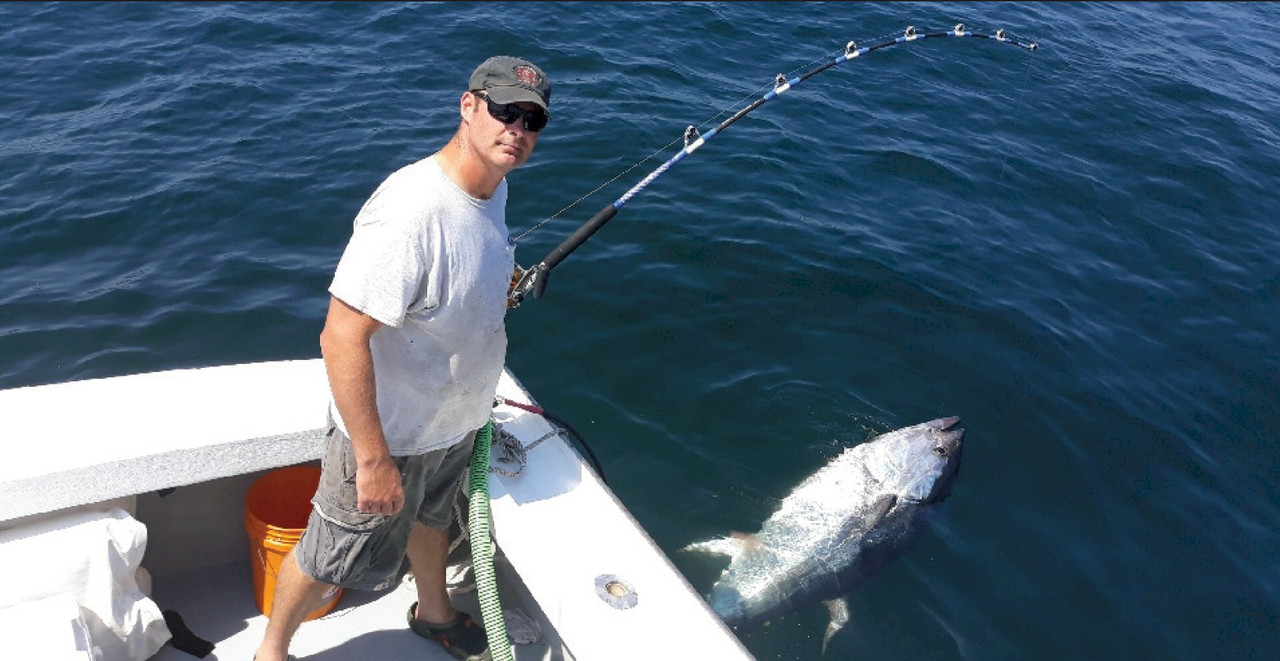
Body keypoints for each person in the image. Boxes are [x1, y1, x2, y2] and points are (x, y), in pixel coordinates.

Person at [254, 55, 552, 661]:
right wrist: (372, 460)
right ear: (468, 107)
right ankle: (272, 651)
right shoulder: (412, 210)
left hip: (455, 420)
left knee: (434, 520)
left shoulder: (494, 188)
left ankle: (433, 610)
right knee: (326, 555)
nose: (516, 130)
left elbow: (450, 280)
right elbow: (340, 336)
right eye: (503, 112)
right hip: (390, 435)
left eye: (531, 120)